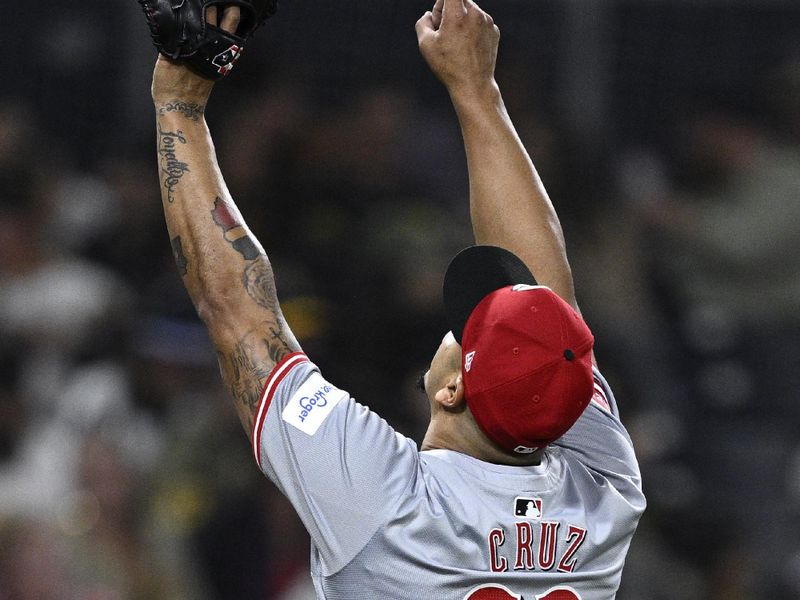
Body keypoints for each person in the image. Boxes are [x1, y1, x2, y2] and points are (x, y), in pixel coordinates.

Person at [147, 0, 645, 598]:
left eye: (464, 330)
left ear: (453, 388)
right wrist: (475, 90)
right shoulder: (603, 490)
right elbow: (546, 313)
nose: (456, 323)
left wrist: (179, 102)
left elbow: (237, 310)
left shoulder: (388, 501)